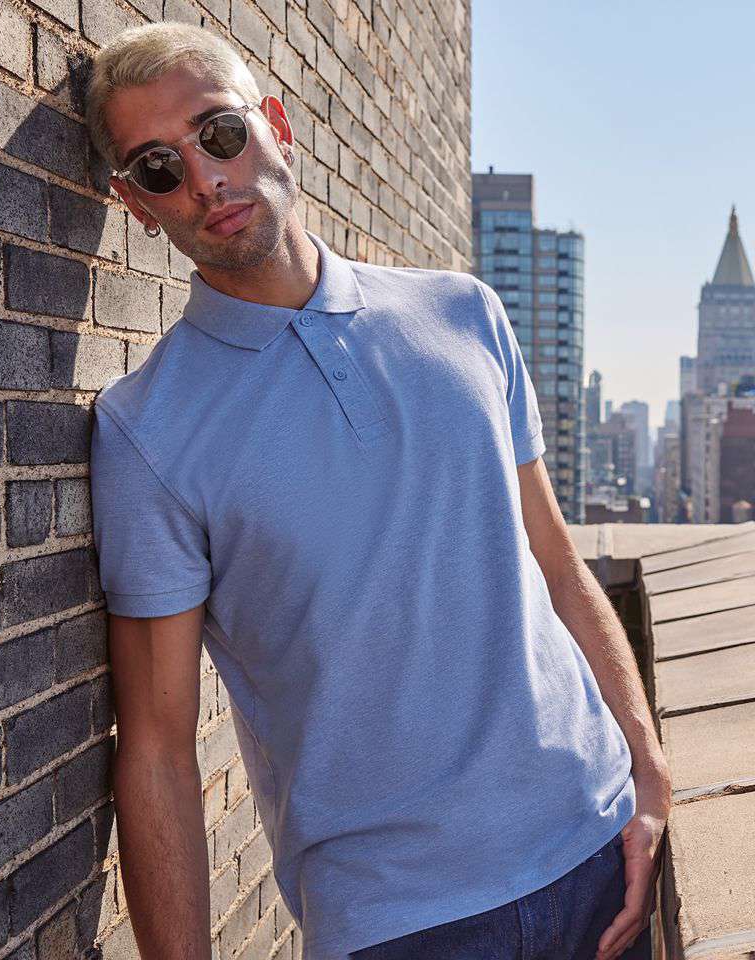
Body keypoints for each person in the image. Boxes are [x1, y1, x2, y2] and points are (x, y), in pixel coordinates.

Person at [85, 20, 671, 960]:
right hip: (398, 924)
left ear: (275, 125)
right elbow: (155, 747)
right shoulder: (146, 429)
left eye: (219, 133)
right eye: (158, 167)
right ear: (135, 203)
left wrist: (648, 772)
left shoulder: (465, 313)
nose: (203, 180)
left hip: (600, 858)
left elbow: (558, 566)